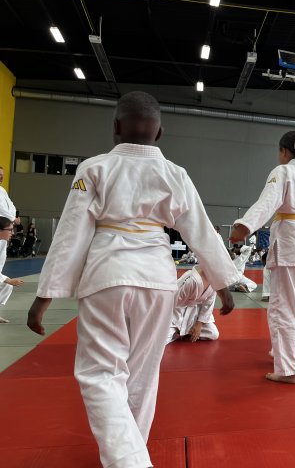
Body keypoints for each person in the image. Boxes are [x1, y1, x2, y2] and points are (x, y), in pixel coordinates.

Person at [26, 91, 239, 468]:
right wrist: (222, 283)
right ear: (160, 133)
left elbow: (71, 232)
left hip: (107, 276)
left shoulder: (93, 169)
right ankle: (131, 455)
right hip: (159, 281)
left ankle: (130, 461)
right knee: (142, 376)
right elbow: (202, 230)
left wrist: (45, 295)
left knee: (100, 375)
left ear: (115, 128)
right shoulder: (175, 173)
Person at [230, 130, 295, 384]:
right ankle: (281, 352)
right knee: (291, 307)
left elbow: (268, 202)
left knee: (283, 308)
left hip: (291, 243)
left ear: (283, 151)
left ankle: (288, 369)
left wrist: (245, 225)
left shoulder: (283, 171)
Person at [166, 266, 219, 344]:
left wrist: (199, 324)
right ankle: (179, 332)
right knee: (162, 339)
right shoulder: (192, 280)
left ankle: (187, 332)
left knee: (213, 333)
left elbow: (208, 305)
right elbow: (174, 302)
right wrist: (180, 327)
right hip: (175, 313)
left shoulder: (215, 282)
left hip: (194, 314)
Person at [0, 216, 25, 323]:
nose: (13, 233)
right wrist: (8, 280)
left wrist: (7, 281)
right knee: (7, 283)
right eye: (9, 230)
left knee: (6, 285)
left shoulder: (2, 242)